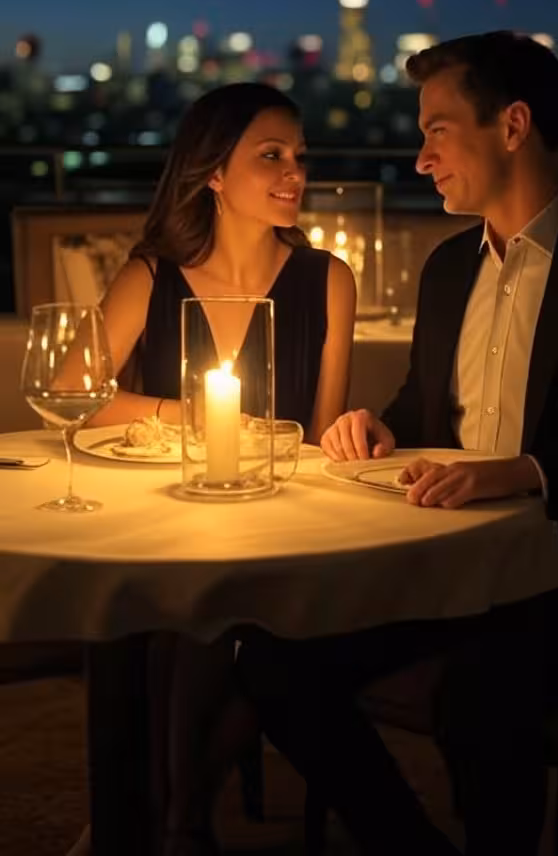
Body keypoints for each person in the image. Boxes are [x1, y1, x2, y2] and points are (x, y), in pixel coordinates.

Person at [233, 33, 558, 855]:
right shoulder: (448, 267)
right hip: (447, 572)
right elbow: (428, 411)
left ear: (514, 125)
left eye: (437, 131)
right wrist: (383, 426)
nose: (421, 159)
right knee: (271, 660)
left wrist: (528, 473)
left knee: (481, 697)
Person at [81, 82, 356, 856]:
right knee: (174, 610)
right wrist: (186, 415)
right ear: (213, 173)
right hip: (177, 517)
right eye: (271, 155)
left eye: (299, 156)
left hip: (287, 530)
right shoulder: (151, 276)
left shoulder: (328, 279)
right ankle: (175, 821)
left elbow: (323, 440)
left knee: (195, 617)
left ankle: (168, 820)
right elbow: (77, 395)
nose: (294, 172)